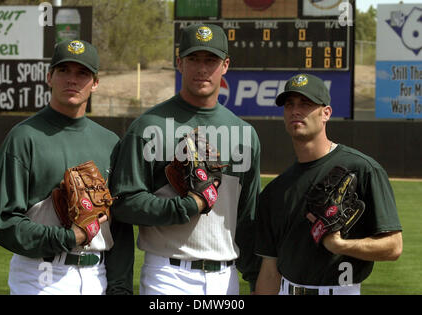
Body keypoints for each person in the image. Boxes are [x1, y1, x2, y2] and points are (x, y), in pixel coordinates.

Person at [107, 23, 261, 295]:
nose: (202, 68)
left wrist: (257, 277)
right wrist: (186, 206)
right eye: (194, 59)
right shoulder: (147, 126)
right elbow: (124, 203)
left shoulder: (244, 135)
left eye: (211, 60)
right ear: (179, 63)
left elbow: (248, 219)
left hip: (225, 279)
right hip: (167, 275)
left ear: (225, 65)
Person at [0, 39, 133, 295]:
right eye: (64, 71)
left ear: (95, 83)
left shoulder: (110, 143)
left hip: (97, 276)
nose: (72, 80)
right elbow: (1, 222)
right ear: (49, 76)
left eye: (82, 73)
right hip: (40, 274)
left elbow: (119, 227)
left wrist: (120, 287)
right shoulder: (24, 137)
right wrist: (67, 237)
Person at [255, 73, 403, 295]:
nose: (295, 111)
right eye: (289, 104)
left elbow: (393, 246)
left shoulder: (360, 168)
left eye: (305, 104)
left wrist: (341, 246)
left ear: (326, 113)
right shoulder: (275, 190)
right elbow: (269, 269)